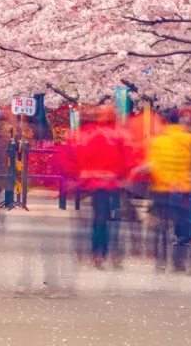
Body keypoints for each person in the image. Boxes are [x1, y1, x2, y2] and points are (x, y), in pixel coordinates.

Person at [75, 106, 133, 268]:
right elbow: (128, 156)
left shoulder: (91, 134)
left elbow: (83, 155)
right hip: (114, 181)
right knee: (114, 218)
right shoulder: (120, 134)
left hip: (96, 181)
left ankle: (98, 252)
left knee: (99, 217)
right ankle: (111, 253)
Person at [147, 108, 191, 272]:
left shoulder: (159, 141)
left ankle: (160, 256)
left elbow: (155, 165)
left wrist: (166, 180)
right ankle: (180, 261)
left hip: (162, 186)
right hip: (184, 186)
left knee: (161, 221)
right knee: (182, 219)